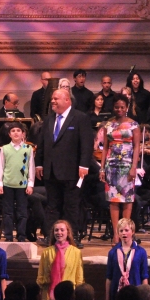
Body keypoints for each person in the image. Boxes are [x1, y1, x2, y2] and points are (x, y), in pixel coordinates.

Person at [35, 88, 93, 248]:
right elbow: (43, 144)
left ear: (67, 100)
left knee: (71, 206)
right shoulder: (48, 119)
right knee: (52, 206)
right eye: (52, 99)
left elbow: (86, 145)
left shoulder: (80, 118)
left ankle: (73, 238)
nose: (52, 101)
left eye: (56, 98)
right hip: (51, 170)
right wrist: (39, 163)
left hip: (72, 171)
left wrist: (84, 165)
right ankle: (50, 237)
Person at [99, 93, 140, 244]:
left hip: (127, 165)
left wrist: (134, 167)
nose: (119, 109)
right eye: (117, 107)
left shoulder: (134, 125)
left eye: (122, 107)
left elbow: (136, 147)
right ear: (113, 107)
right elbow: (104, 148)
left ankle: (126, 234)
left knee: (127, 199)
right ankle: (116, 234)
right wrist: (102, 168)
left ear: (127, 107)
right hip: (112, 166)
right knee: (113, 200)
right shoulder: (108, 125)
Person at [0, 122, 35, 242]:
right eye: (13, 131)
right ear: (9, 134)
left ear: (23, 133)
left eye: (18, 130)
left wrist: (30, 184)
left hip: (22, 185)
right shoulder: (4, 149)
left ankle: (21, 236)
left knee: (22, 212)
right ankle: (8, 236)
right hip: (8, 184)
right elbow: (1, 167)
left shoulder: (28, 149)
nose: (16, 133)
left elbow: (31, 167)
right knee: (8, 212)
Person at [37, 220, 84, 300]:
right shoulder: (46, 252)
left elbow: (79, 277)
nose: (59, 232)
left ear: (68, 232)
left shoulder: (76, 252)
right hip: (48, 296)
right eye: (56, 230)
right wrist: (39, 296)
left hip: (69, 296)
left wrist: (79, 299)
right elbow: (40, 275)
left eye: (62, 230)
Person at [106, 218, 148, 300]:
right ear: (118, 233)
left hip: (136, 294)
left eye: (126, 230)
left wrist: (145, 298)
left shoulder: (141, 252)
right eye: (121, 231)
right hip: (116, 295)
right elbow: (109, 277)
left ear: (132, 232)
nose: (124, 233)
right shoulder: (113, 252)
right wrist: (107, 299)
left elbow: (144, 276)